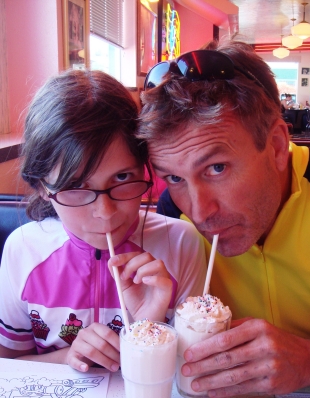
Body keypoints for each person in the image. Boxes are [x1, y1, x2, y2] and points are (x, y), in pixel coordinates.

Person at [138, 40, 310, 398]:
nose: (198, 213)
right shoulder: (171, 214)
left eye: (216, 168)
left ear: (276, 146)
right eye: (174, 178)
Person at [0, 70, 206, 372]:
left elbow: (194, 373)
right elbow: (8, 364)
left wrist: (147, 327)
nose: (105, 212)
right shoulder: (25, 250)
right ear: (43, 186)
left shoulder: (181, 244)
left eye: (123, 177)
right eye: (77, 186)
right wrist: (68, 358)